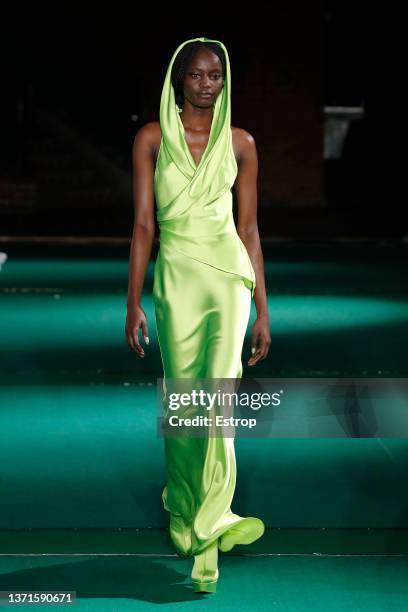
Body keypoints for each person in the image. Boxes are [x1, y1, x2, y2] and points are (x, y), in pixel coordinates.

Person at [126, 36, 271, 594]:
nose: (207, 84)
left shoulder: (241, 143)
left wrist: (262, 308)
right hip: (176, 283)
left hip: (228, 283)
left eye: (215, 76)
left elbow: (250, 229)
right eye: (196, 75)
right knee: (183, 403)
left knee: (217, 403)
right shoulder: (150, 139)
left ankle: (209, 533)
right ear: (178, 79)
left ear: (225, 80)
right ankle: (185, 510)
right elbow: (144, 226)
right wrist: (132, 301)